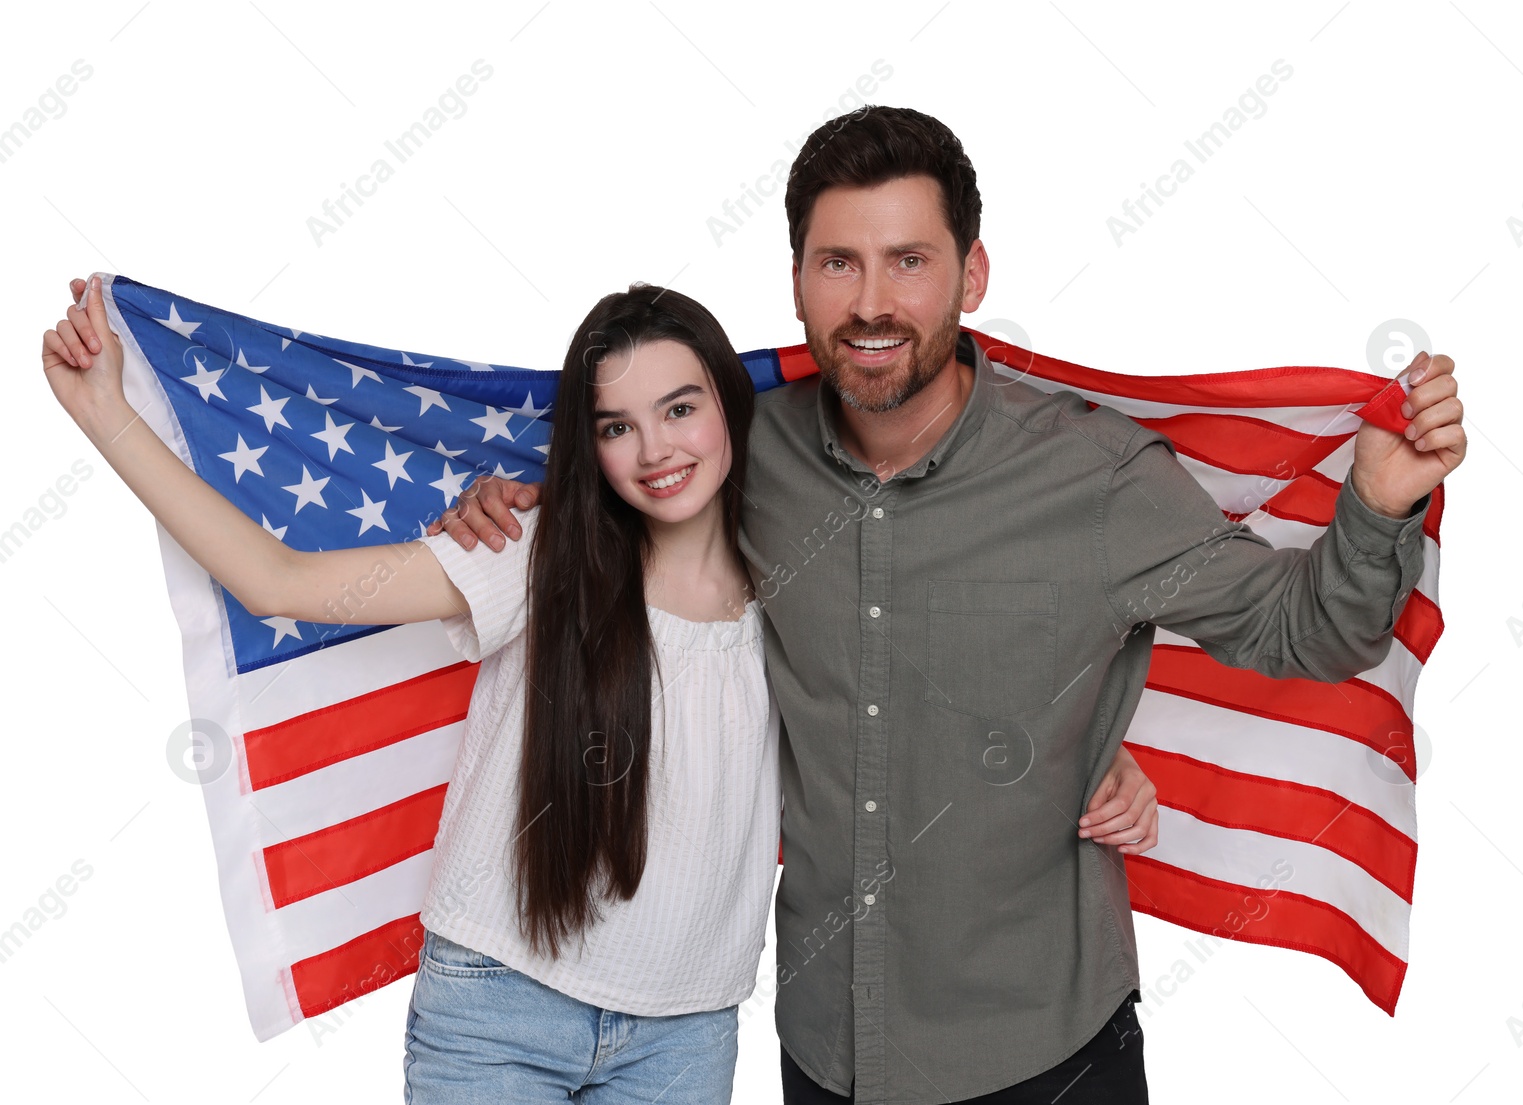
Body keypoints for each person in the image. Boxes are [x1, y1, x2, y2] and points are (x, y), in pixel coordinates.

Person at [434, 106, 1467, 1104]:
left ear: (971, 274)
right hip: (826, 1049)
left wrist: (1376, 504)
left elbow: (1314, 631)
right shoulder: (747, 456)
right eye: (839, 262)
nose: (870, 302)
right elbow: (635, 485)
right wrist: (526, 501)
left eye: (908, 260)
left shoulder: (1095, 477)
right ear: (796, 279)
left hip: (1047, 1051)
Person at [42, 274, 1158, 1103]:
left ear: (730, 408)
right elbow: (275, 578)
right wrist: (105, 414)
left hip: (685, 1039)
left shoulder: (808, 587)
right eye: (616, 425)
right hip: (494, 1017)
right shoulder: (528, 554)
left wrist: (1098, 750)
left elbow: (942, 705)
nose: (653, 448)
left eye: (680, 408)